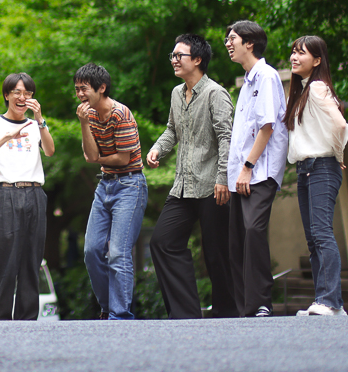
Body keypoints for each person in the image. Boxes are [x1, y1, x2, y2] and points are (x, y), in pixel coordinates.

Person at [145, 34, 237, 319]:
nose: (173, 60)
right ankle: (185, 314)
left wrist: (223, 178)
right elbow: (172, 129)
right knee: (162, 242)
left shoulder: (215, 93)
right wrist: (157, 149)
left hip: (212, 184)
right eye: (172, 56)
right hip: (183, 186)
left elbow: (227, 137)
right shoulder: (176, 93)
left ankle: (227, 314)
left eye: (179, 55)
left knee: (216, 253)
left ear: (197, 59)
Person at [224, 20, 288, 317]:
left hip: (260, 172)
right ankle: (245, 308)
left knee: (253, 230)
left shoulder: (266, 75)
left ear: (249, 43)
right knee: (237, 240)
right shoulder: (248, 81)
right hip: (242, 174)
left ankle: (261, 301)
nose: (228, 43)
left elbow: (267, 127)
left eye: (232, 38)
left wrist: (248, 167)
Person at [0, 72, 53, 320]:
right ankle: (2, 320)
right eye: (17, 92)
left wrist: (40, 120)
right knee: (5, 261)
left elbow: (50, 151)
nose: (23, 98)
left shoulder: (35, 125)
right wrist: (8, 137)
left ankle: (27, 321)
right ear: (6, 95)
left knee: (32, 260)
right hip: (6, 193)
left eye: (28, 93)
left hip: (35, 193)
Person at [285, 36, 348, 316]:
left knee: (322, 234)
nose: (294, 57)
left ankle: (330, 302)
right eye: (293, 52)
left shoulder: (316, 87)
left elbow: (340, 125)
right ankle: (326, 300)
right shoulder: (302, 90)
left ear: (317, 60)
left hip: (321, 166)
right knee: (314, 239)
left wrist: (338, 155)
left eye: (301, 53)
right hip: (306, 168)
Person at [76, 63, 147, 320]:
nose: (80, 94)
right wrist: (84, 123)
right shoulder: (90, 116)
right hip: (104, 185)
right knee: (91, 251)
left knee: (118, 252)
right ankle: (107, 308)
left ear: (101, 88)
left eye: (84, 89)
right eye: (77, 89)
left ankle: (120, 315)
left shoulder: (121, 114)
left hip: (130, 185)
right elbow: (90, 155)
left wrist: (98, 158)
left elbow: (123, 159)